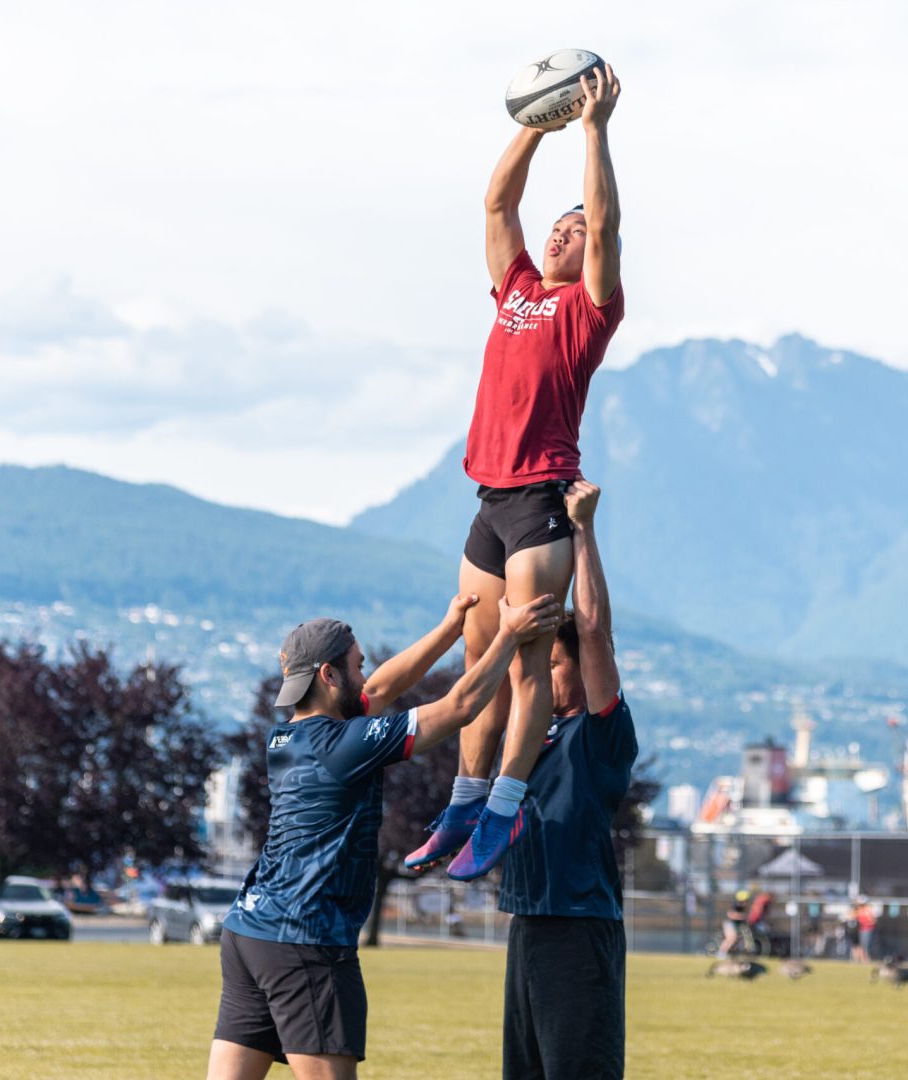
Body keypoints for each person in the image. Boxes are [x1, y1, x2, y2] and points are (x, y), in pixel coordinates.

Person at [407, 64, 626, 882]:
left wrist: (594, 130)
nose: (563, 231)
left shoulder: (588, 310)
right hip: (489, 499)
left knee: (531, 658)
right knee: (480, 659)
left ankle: (503, 808)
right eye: (558, 227)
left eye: (572, 228)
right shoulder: (517, 288)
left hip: (540, 497)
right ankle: (465, 798)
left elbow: (603, 228)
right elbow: (498, 204)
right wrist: (539, 121)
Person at [206, 590, 562, 1080]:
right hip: (305, 940)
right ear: (329, 676)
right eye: (357, 665)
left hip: (248, 932)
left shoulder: (285, 737)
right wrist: (509, 635)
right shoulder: (344, 745)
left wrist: (451, 628)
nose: (365, 673)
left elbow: (382, 688)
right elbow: (460, 706)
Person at [497, 478, 638, 1080]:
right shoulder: (533, 736)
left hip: (579, 929)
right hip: (528, 926)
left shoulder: (598, 734)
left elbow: (594, 631)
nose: (543, 677)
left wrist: (582, 527)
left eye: (553, 664)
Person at [718, 890, 750, 957]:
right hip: (729, 924)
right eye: (746, 900)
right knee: (731, 938)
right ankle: (721, 953)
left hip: (735, 925)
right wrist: (741, 917)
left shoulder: (743, 907)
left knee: (739, 939)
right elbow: (730, 915)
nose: (747, 902)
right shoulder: (736, 905)